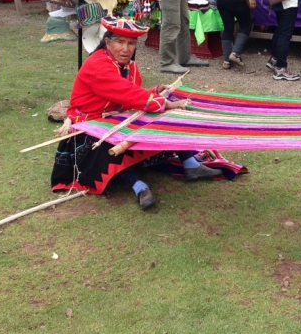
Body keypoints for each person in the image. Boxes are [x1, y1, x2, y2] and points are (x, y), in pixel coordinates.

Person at [51, 23, 225, 210]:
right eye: (120, 42)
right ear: (108, 43)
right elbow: (126, 93)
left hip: (114, 117)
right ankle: (139, 187)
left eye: (131, 43)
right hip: (88, 124)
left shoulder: (129, 66)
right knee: (110, 145)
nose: (126, 49)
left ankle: (190, 165)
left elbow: (129, 96)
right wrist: (165, 103)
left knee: (162, 121)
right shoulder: (97, 65)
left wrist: (155, 91)